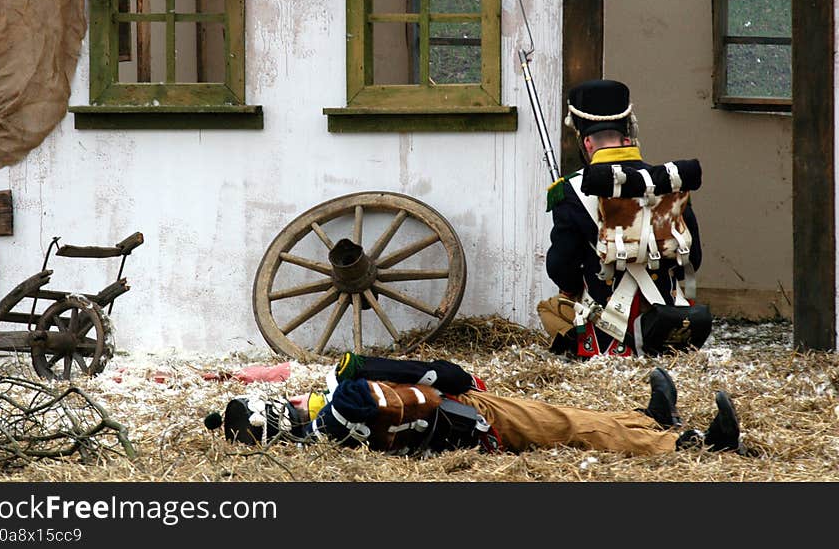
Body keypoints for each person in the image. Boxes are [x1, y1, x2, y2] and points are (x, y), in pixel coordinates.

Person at [204, 352, 746, 457]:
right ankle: (688, 443)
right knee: (567, 430)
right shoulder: (331, 419)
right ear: (276, 419)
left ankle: (647, 419)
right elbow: (364, 389)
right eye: (276, 403)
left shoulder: (325, 419)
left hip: (462, 409)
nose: (285, 398)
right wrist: (431, 372)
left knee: (562, 417)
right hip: (468, 426)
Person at [540, 79, 709, 358]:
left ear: (586, 142)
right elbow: (693, 258)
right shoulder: (668, 183)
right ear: (627, 137)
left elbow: (562, 267)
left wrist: (573, 289)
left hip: (607, 339)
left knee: (550, 310)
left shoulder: (570, 191)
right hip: (668, 327)